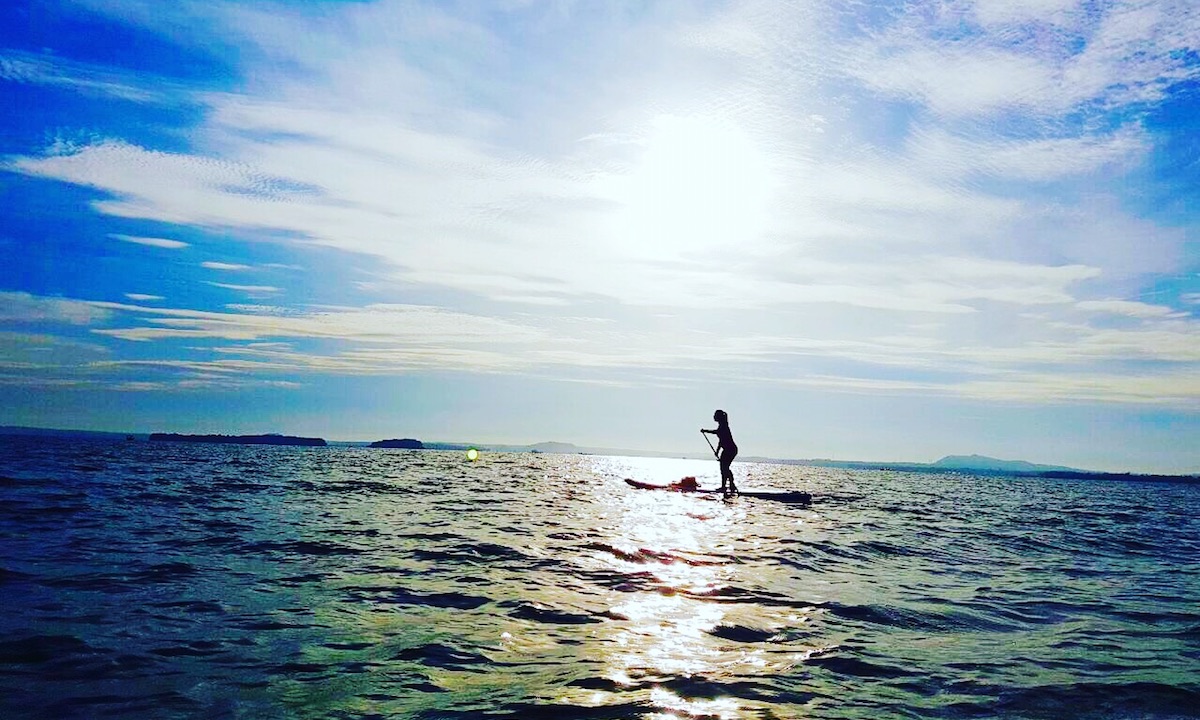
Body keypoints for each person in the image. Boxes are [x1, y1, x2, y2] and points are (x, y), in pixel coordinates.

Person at [701, 409, 738, 494]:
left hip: (731, 450)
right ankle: (729, 486)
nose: (714, 417)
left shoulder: (724, 426)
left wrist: (705, 431)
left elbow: (718, 433)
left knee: (724, 468)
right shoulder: (722, 425)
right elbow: (721, 441)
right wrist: (717, 451)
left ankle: (727, 486)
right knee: (724, 468)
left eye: (715, 415)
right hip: (727, 450)